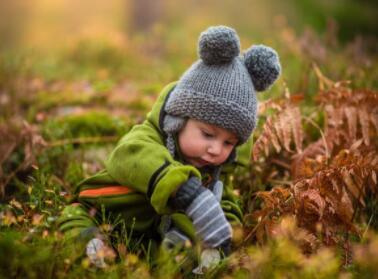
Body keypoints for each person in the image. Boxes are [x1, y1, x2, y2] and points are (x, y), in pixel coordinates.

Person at [57, 25, 281, 268]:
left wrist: (223, 235)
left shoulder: (213, 173)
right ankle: (92, 250)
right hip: (99, 212)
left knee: (187, 251)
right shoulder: (146, 139)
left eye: (229, 142)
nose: (216, 149)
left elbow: (225, 204)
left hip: (148, 240)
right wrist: (185, 190)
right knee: (78, 223)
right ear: (178, 120)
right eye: (207, 134)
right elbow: (129, 156)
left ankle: (176, 261)